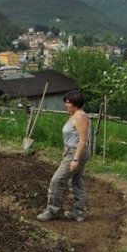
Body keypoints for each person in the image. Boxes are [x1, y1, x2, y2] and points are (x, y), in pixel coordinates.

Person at [37, 90, 90, 222]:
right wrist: (66, 149)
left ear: (75, 104)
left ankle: (52, 210)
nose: (65, 105)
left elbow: (83, 140)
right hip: (72, 151)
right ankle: (79, 212)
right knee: (76, 182)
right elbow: (73, 136)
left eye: (68, 102)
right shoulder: (74, 115)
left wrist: (75, 159)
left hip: (76, 153)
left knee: (57, 180)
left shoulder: (80, 117)